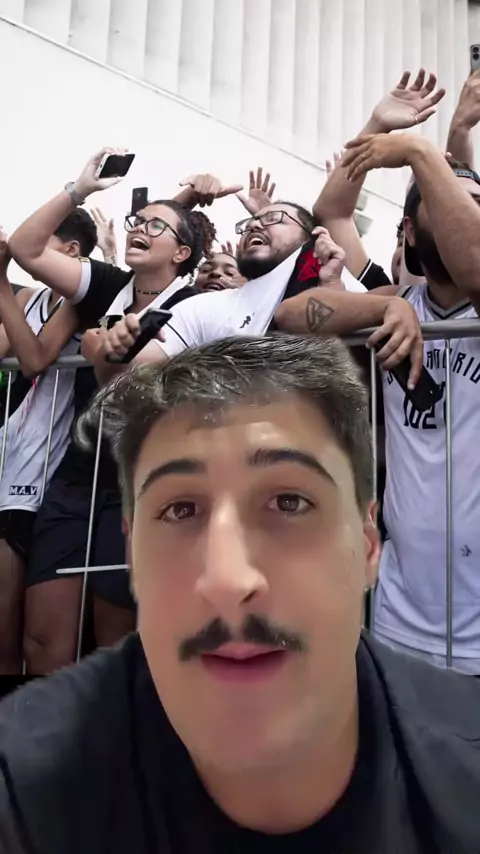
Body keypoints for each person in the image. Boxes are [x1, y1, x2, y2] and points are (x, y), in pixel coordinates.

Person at [1, 334, 480, 853]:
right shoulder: (26, 783)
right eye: (181, 510)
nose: (228, 580)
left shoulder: (463, 762)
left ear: (368, 543)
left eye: (289, 502)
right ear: (132, 548)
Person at [9, 148, 223, 674]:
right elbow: (24, 247)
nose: (139, 228)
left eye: (156, 226)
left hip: (140, 486)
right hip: (76, 480)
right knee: (42, 642)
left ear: (182, 253)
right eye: (137, 221)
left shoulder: (197, 306)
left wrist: (108, 353)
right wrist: (79, 188)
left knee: (114, 645)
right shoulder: (105, 283)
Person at [287, 129, 480, 674]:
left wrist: (421, 152)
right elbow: (290, 315)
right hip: (402, 606)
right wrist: (386, 308)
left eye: (472, 204)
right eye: (443, 200)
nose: (461, 212)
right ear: (410, 232)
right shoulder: (398, 301)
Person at [97, 204, 423, 386]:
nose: (254, 225)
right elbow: (129, 376)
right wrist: (117, 353)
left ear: (311, 236)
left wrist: (333, 285)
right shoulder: (204, 306)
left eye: (273, 218)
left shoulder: (332, 274)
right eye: (250, 222)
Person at [0, 210, 98, 673]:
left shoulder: (81, 300)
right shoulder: (28, 296)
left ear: (71, 251)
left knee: (17, 622)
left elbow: (36, 358)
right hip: (9, 453)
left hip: (40, 473)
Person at [313, 68, 445, 291]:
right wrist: (378, 124)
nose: (406, 250)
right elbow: (332, 213)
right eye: (402, 242)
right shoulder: (377, 291)